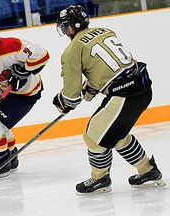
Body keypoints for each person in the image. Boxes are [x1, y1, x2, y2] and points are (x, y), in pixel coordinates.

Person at [52, 5, 166, 195]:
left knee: (93, 136)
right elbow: (111, 65)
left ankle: (100, 179)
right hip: (142, 87)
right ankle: (148, 170)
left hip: (125, 95)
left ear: (73, 25)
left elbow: (71, 96)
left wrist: (63, 101)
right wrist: (94, 83)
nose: (65, 31)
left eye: (66, 26)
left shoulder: (71, 51)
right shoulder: (105, 31)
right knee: (115, 134)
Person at [0, 18, 50, 179]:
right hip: (6, 91)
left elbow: (42, 54)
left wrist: (24, 71)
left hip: (27, 94)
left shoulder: (11, 46)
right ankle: (11, 157)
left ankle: (1, 162)